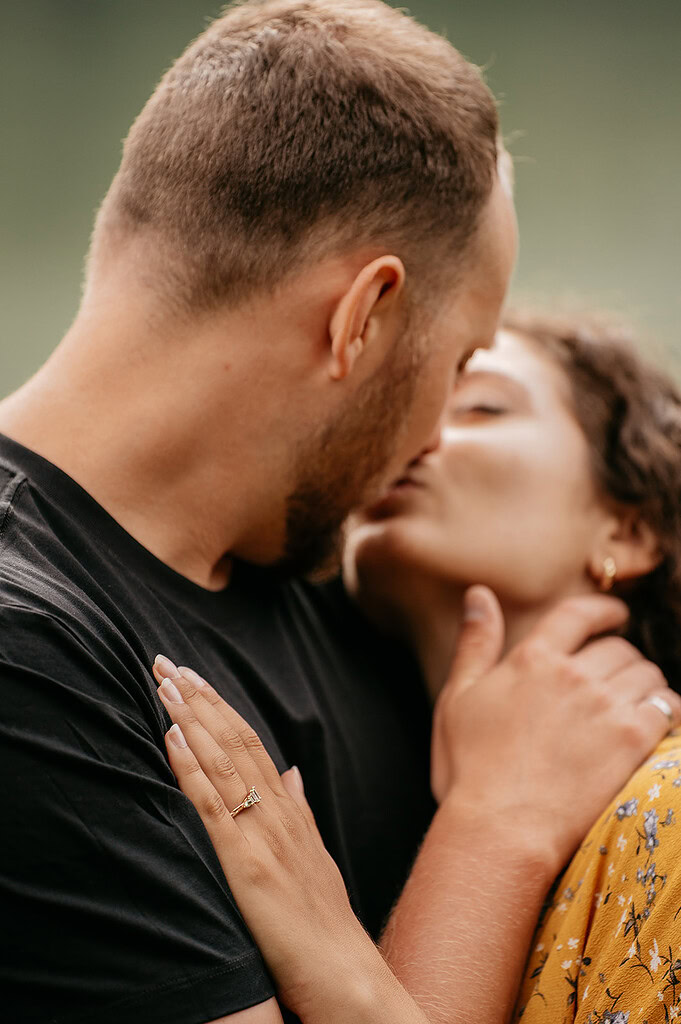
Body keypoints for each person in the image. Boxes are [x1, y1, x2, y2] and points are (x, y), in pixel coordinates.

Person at [0, 0, 674, 1020]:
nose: (439, 434)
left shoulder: (345, 587)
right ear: (363, 316)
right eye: (457, 368)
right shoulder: (34, 662)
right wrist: (495, 826)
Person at [154, 312, 681, 1024]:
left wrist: (334, 961)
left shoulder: (667, 812)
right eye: (403, 406)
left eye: (480, 407)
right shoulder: (377, 801)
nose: (416, 432)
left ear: (630, 527)